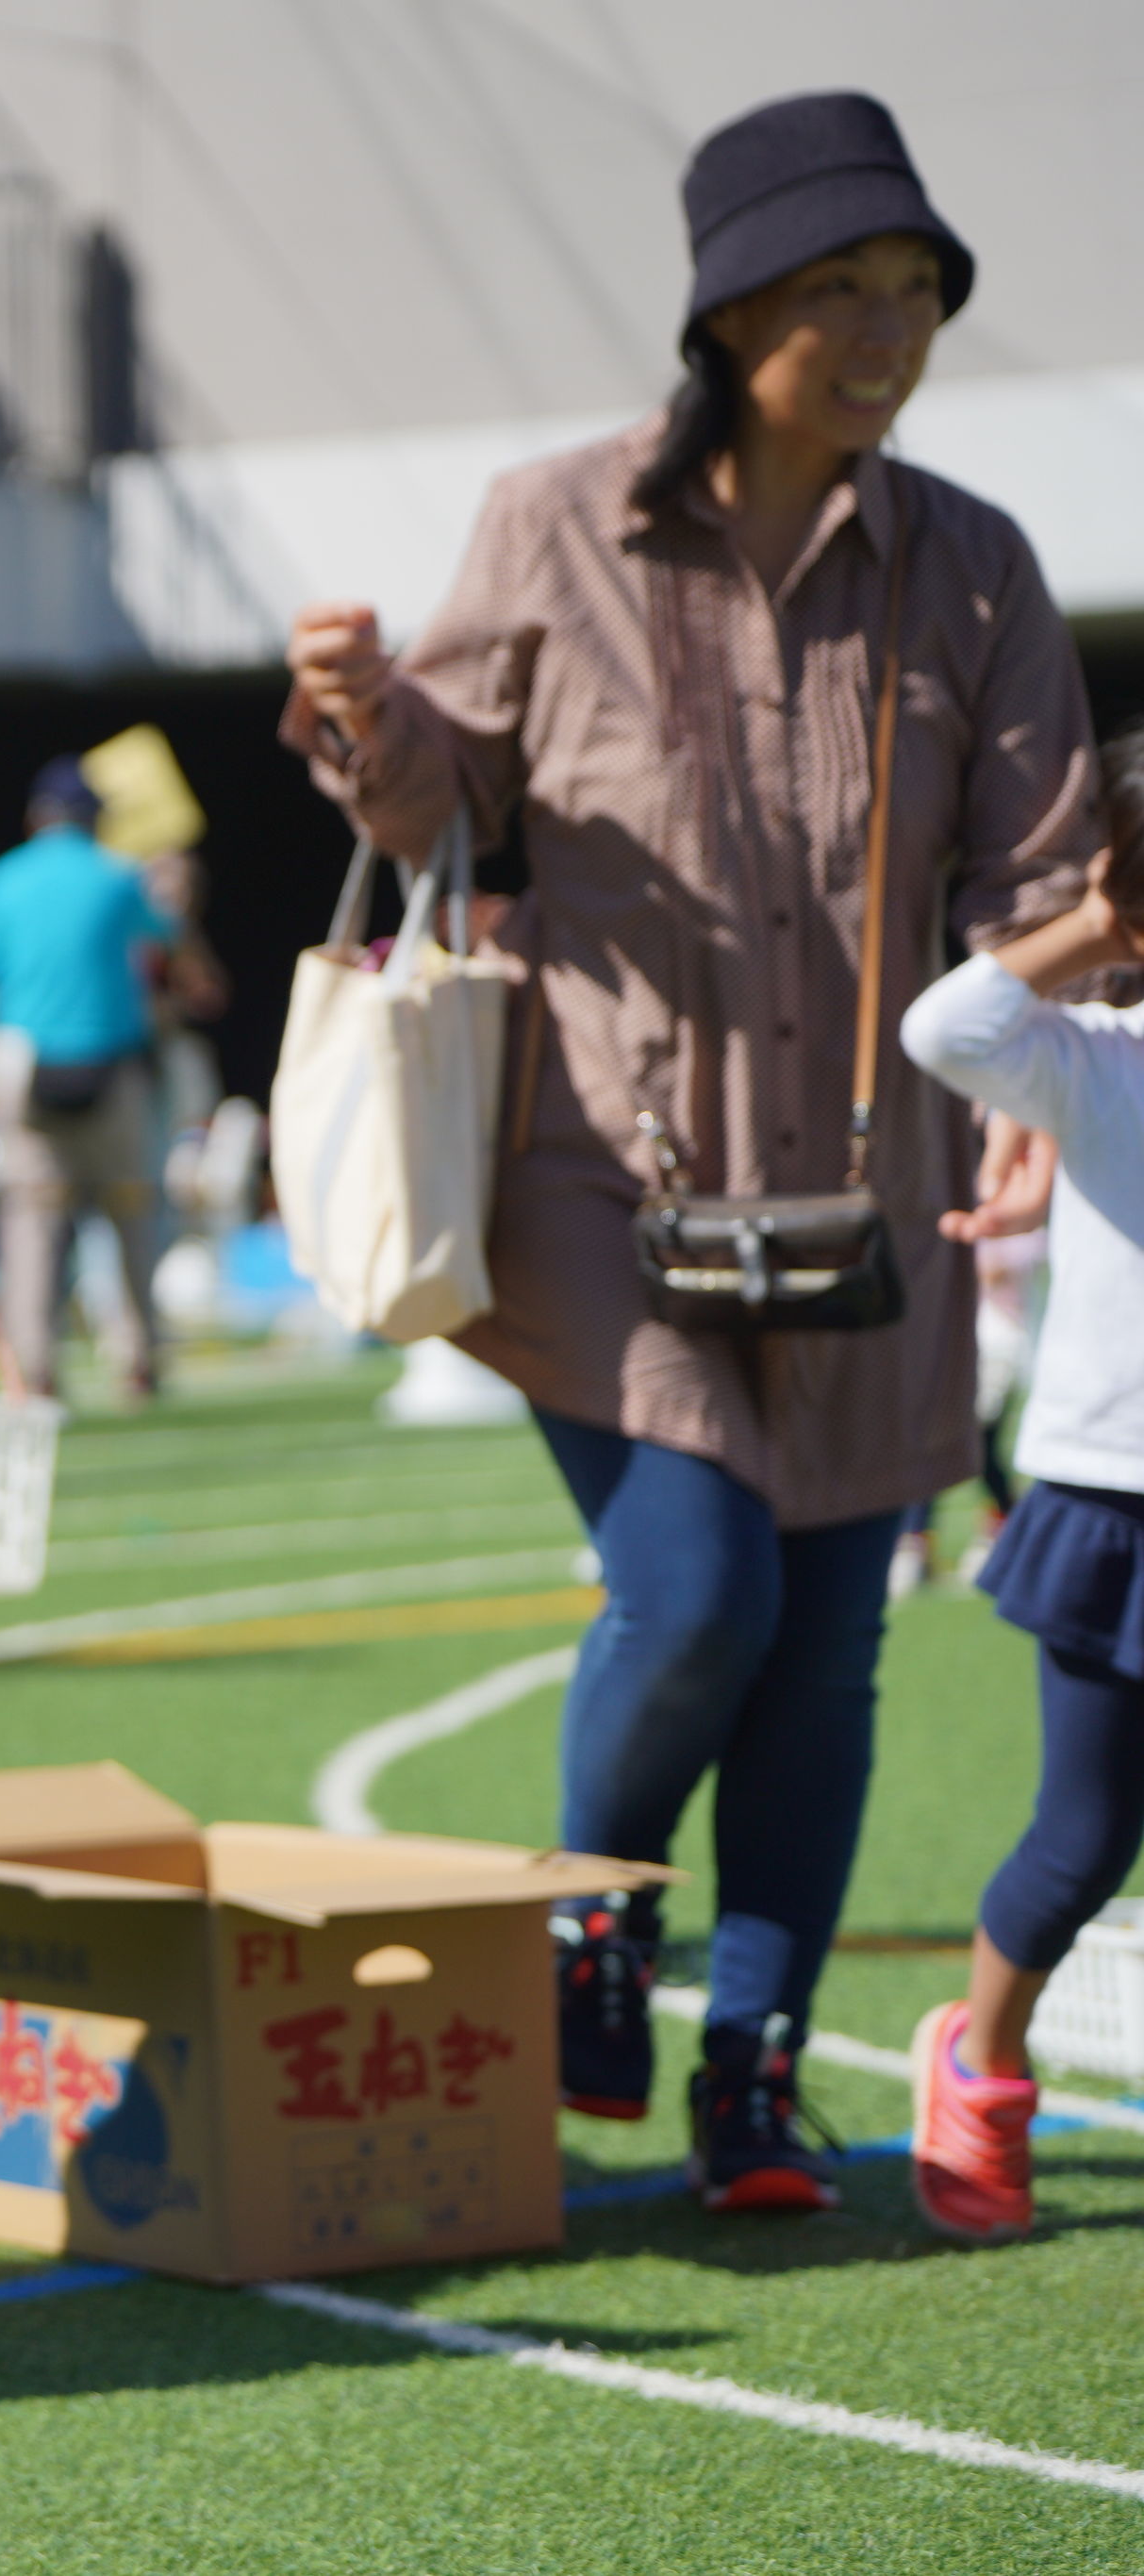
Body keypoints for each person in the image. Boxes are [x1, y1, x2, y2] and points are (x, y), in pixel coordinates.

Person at [283, 92, 1101, 2210]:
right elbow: (434, 798)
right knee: (693, 1577)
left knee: (827, 1642)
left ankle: (746, 2065)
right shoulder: (549, 523)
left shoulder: (971, 567)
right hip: (590, 1169)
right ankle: (590, 1907)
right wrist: (363, 711)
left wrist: (1043, 1099)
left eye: (913, 289)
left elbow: (1036, 878)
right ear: (729, 305)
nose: (886, 328)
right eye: (841, 286)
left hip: (865, 1188)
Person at [899, 769, 1144, 2245]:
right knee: (1082, 1838)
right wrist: (1108, 912)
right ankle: (981, 2061)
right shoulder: (1099, 1058)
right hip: (1115, 1502)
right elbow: (949, 1028)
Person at [0, 758, 175, 1403]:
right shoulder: (119, 875)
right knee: (134, 1218)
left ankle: (33, 1370)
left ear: (35, 818)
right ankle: (140, 1361)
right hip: (115, 1071)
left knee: (31, 1226)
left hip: (23, 1077)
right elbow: (173, 948)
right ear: (94, 818)